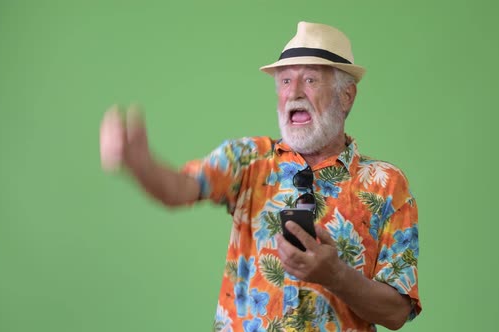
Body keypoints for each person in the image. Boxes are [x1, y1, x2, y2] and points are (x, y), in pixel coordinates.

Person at [99, 21, 421, 332]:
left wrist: (336, 274)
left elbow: (395, 313)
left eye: (309, 80)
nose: (293, 92)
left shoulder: (386, 185)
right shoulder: (248, 160)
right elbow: (180, 188)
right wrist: (142, 166)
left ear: (346, 96)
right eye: (284, 81)